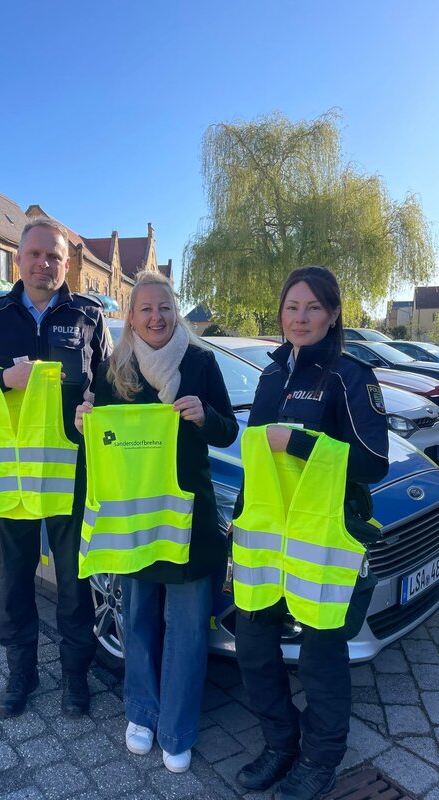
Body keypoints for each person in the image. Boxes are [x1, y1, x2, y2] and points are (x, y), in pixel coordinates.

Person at [233, 266, 389, 800]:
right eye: (292, 307)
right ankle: (281, 745)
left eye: (313, 308)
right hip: (265, 539)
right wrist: (240, 517)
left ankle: (320, 760)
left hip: (322, 540)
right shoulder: (271, 374)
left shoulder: (350, 375)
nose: (300, 318)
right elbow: (257, 456)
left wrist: (297, 444)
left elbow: (373, 464)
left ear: (333, 314)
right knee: (253, 647)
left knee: (322, 657)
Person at [0, 216, 110, 719]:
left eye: (54, 256)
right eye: (35, 254)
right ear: (18, 259)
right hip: (10, 477)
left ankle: (76, 679)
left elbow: (111, 384)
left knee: (75, 582)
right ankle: (22, 674)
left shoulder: (88, 315)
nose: (44, 264)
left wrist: (94, 406)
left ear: (66, 264)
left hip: (70, 475)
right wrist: (2, 379)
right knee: (15, 582)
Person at [75, 271, 238, 773]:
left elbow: (228, 430)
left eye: (164, 307)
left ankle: (177, 729)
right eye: (145, 308)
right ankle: (142, 713)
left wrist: (204, 415)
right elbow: (98, 440)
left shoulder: (201, 362)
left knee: (188, 628)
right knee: (139, 619)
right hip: (136, 520)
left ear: (175, 309)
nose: (156, 317)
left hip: (188, 518)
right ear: (131, 316)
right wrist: (82, 421)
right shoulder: (113, 368)